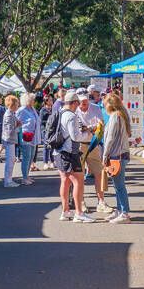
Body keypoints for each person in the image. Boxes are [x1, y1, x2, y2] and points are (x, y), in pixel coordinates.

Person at [56, 91, 96, 223]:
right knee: (78, 181)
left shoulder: (59, 113)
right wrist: (89, 135)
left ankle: (65, 211)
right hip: (70, 152)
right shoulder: (72, 116)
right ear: (74, 103)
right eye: (78, 103)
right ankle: (79, 213)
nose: (78, 106)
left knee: (65, 181)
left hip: (58, 151)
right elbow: (76, 137)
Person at [76, 91, 113, 213]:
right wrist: (91, 127)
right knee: (79, 176)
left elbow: (101, 126)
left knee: (99, 173)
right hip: (79, 145)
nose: (83, 104)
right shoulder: (74, 110)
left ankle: (101, 202)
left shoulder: (95, 108)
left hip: (93, 144)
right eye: (81, 102)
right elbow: (77, 129)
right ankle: (80, 202)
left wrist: (87, 128)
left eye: (85, 101)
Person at [101, 93, 132, 223]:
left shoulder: (114, 117)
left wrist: (105, 154)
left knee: (119, 186)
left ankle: (124, 212)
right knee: (117, 185)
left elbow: (110, 139)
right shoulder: (122, 115)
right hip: (122, 154)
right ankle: (120, 210)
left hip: (115, 155)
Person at [16, 93, 40, 185]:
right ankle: (24, 177)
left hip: (33, 137)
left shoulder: (33, 109)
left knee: (31, 157)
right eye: (32, 100)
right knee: (26, 157)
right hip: (25, 137)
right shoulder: (22, 110)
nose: (33, 101)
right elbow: (16, 122)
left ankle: (27, 175)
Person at [2, 95, 21, 187]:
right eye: (17, 103)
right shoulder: (9, 114)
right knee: (10, 161)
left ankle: (9, 180)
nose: (18, 105)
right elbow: (10, 131)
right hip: (9, 140)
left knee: (11, 160)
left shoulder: (11, 113)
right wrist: (18, 127)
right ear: (13, 104)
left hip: (10, 140)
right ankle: (8, 181)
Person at [39, 95, 55, 169]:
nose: (51, 101)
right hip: (45, 130)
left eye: (52, 100)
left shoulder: (54, 109)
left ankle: (52, 162)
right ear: (46, 101)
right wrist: (49, 121)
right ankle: (45, 162)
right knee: (46, 146)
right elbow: (41, 121)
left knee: (52, 146)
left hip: (53, 130)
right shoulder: (43, 110)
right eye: (50, 100)